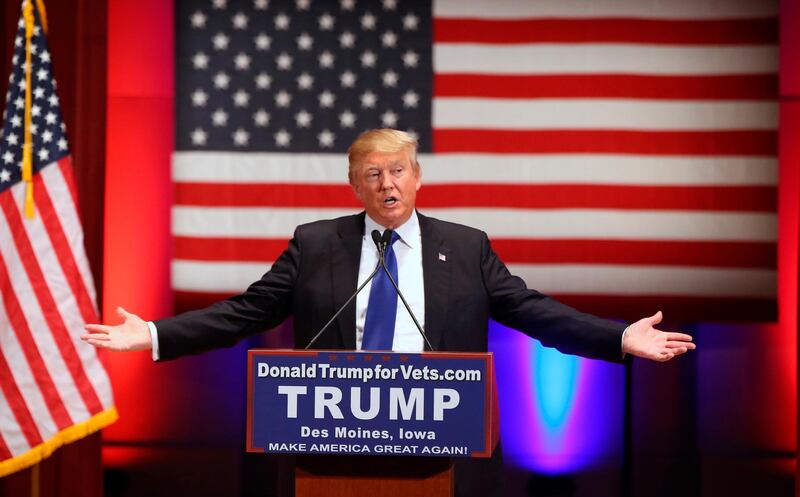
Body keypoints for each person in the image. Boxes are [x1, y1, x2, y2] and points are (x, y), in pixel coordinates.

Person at [82, 128, 695, 496]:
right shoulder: (318, 243)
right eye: (371, 175)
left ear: (419, 177)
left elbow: (532, 311)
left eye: (397, 170)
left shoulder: (467, 245)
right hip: (331, 453)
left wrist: (619, 340)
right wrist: (157, 334)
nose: (387, 185)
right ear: (355, 186)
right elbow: (249, 311)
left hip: (443, 456)